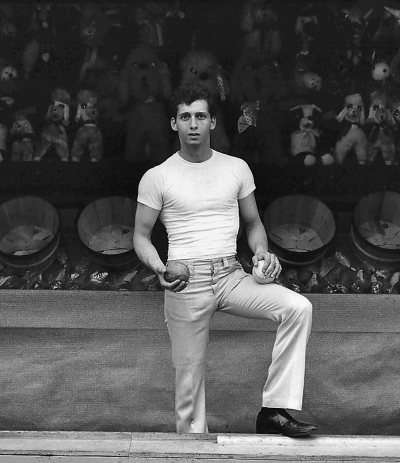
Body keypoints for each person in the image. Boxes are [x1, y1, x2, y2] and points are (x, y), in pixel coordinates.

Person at [133, 84, 316, 437]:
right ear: (173, 123)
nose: (193, 124)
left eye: (200, 116)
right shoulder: (158, 176)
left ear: (212, 122)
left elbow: (253, 223)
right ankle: (193, 453)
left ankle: (275, 410)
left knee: (298, 308)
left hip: (231, 274)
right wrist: (160, 268)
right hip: (185, 281)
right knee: (189, 388)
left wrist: (261, 251)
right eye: (185, 117)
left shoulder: (236, 168)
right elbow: (140, 236)